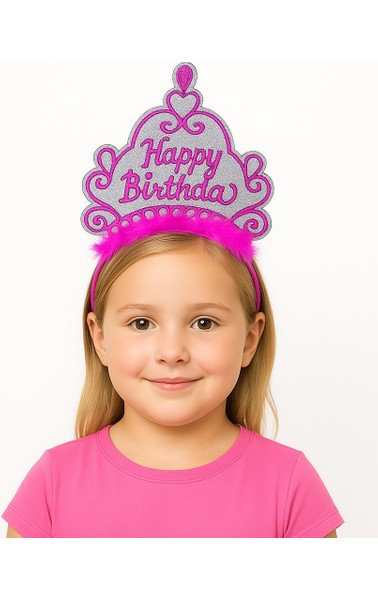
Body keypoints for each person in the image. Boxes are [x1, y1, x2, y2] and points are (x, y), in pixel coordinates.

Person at [3, 63, 344, 538]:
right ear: (99, 337)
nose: (171, 351)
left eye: (204, 323)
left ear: (250, 339)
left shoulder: (290, 486)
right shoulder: (52, 485)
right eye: (141, 323)